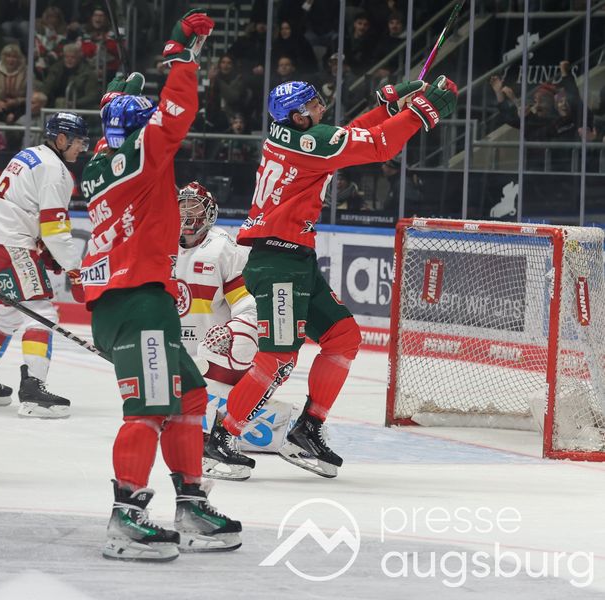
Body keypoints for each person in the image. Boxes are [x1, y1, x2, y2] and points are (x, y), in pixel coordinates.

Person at [222, 76, 457, 478]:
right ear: (298, 116)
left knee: (343, 335)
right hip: (278, 263)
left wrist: (388, 109)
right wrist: (419, 112)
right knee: (277, 357)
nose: (321, 106)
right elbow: (379, 145)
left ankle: (307, 429)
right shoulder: (310, 141)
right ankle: (222, 437)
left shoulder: (300, 136)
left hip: (293, 259)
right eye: (314, 103)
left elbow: (348, 135)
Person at [80, 10, 241, 562]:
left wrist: (119, 97)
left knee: (190, 395)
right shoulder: (146, 152)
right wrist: (180, 55)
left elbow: (118, 125)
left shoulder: (98, 165)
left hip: (128, 301)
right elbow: (178, 111)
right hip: (139, 301)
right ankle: (126, 516)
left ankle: (191, 504)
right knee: (149, 407)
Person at [0, 112, 88, 418]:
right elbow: (55, 228)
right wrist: (74, 270)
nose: (81, 148)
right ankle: (34, 391)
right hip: (10, 241)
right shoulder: (56, 170)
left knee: (6, 315)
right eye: (79, 142)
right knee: (41, 312)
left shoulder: (29, 155)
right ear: (61, 139)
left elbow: (25, 205)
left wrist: (42, 244)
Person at [172, 181, 261, 482]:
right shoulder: (162, 244)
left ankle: (224, 431)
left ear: (209, 213)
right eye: (182, 207)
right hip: (177, 354)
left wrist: (232, 330)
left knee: (245, 344)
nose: (187, 215)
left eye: (194, 208)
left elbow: (246, 305)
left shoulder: (222, 248)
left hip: (214, 351)